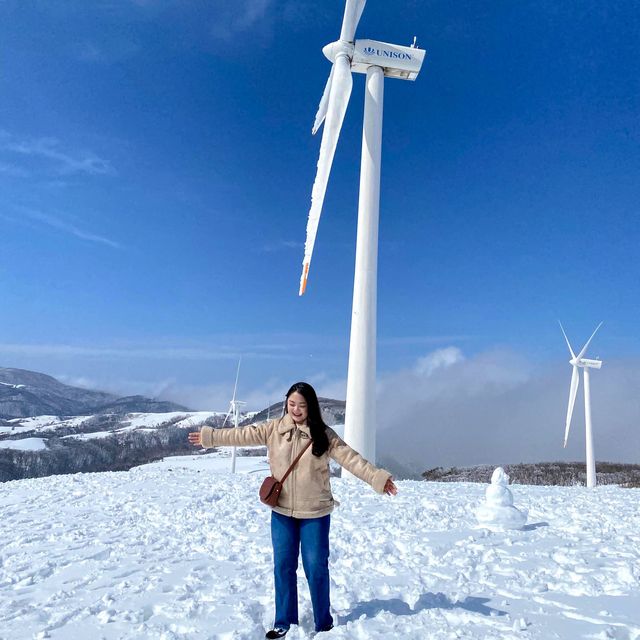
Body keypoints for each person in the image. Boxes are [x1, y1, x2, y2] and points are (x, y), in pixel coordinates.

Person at [188, 381, 397, 638]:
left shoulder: (324, 435)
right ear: (286, 403)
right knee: (283, 566)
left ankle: (324, 623)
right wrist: (211, 437)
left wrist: (378, 478)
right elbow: (241, 434)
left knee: (315, 567)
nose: (296, 410)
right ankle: (283, 622)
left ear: (311, 407)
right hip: (282, 511)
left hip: (315, 514)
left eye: (302, 405)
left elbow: (352, 459)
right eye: (291, 404)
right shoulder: (274, 429)